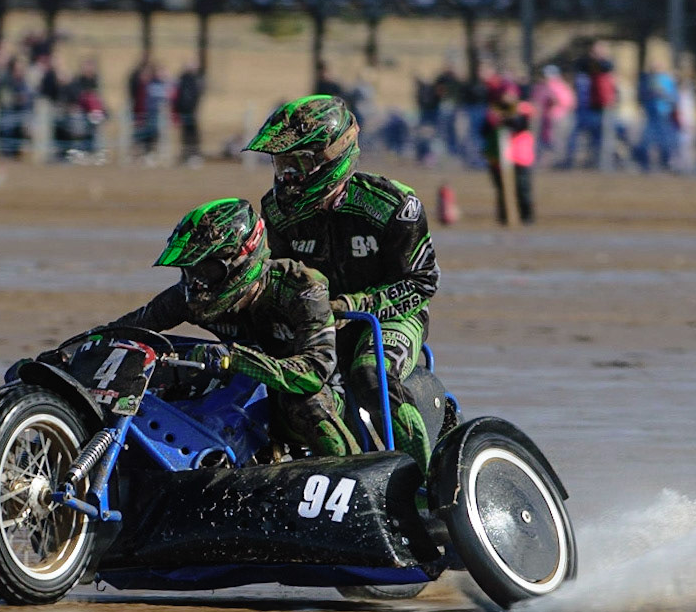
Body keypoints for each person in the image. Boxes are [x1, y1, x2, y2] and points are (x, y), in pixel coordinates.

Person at [246, 95, 440, 469]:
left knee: (370, 375)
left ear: (332, 159)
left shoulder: (393, 205)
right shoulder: (273, 210)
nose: (287, 177)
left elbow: (422, 283)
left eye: (298, 164)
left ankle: (433, 487)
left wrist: (354, 306)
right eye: (281, 163)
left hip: (391, 318)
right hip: (319, 323)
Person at [99, 199, 358, 458]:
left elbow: (315, 371)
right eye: (188, 270)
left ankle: (352, 471)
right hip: (241, 391)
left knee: (308, 403)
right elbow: (126, 330)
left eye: (206, 269)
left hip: (310, 395)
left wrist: (234, 359)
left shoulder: (302, 289)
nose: (196, 282)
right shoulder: (190, 295)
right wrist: (68, 357)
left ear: (241, 260)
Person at [482, 84, 536, 224]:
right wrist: (494, 120)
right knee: (501, 190)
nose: (508, 97)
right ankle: (504, 217)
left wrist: (505, 119)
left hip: (520, 156)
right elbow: (484, 129)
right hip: (499, 157)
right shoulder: (493, 110)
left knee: (522, 188)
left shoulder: (523, 108)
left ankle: (526, 217)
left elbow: (521, 124)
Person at [174, 63, 204, 163]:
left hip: (192, 112)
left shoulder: (195, 80)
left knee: (193, 134)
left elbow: (196, 96)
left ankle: (194, 154)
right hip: (184, 112)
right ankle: (186, 155)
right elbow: (177, 96)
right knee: (185, 134)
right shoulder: (181, 80)